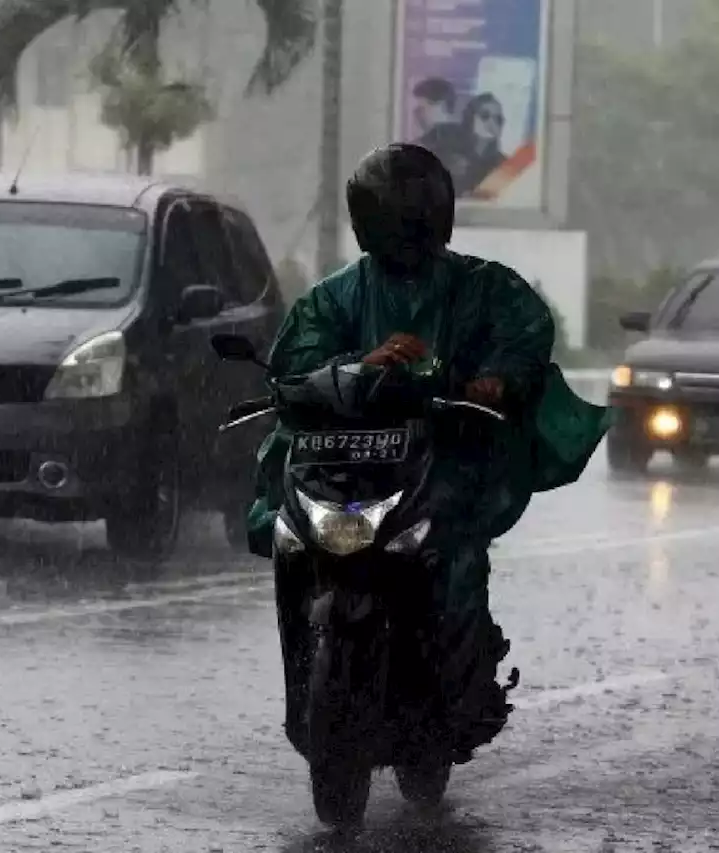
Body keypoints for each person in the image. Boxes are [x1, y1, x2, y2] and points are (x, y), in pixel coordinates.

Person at [248, 142, 609, 758]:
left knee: (455, 558)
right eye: (392, 222)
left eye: (413, 222)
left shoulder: (483, 288)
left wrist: (496, 378)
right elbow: (296, 364)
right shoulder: (334, 298)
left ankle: (460, 694)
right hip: (341, 465)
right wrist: (361, 365)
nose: (404, 236)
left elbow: (524, 333)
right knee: (289, 533)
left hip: (441, 457)